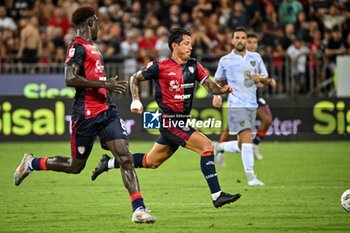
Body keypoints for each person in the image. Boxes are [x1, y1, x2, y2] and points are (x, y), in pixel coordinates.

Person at [13, 7, 156, 224]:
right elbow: (69, 78)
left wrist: (105, 86)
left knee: (125, 156)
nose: (100, 26)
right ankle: (32, 163)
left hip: (106, 111)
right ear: (90, 22)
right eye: (97, 21)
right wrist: (104, 83)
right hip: (86, 114)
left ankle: (139, 209)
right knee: (75, 166)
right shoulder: (77, 47)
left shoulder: (92, 47)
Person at [91, 28, 241, 208]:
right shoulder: (159, 66)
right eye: (186, 44)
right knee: (207, 146)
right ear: (174, 46)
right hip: (170, 122)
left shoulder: (194, 66)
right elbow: (134, 78)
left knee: (151, 162)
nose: (190, 47)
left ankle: (108, 163)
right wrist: (136, 100)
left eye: (191, 44)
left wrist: (221, 90)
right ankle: (217, 196)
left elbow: (210, 87)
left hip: (182, 122)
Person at [212, 27, 273, 186]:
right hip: (235, 104)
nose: (240, 40)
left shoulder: (256, 57)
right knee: (247, 137)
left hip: (251, 104)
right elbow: (217, 81)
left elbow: (266, 78)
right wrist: (217, 95)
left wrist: (259, 78)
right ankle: (251, 177)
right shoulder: (225, 60)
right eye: (237, 37)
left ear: (246, 41)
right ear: (232, 41)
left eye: (243, 38)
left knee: (242, 145)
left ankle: (219, 147)